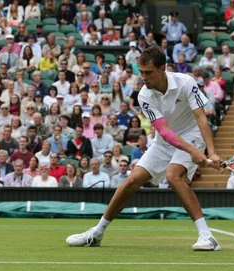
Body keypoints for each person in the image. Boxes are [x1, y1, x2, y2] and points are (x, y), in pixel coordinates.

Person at [66, 46, 222, 251]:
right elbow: (165, 133)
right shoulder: (144, 95)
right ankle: (97, 233)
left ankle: (207, 236)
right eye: (141, 72)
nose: (143, 77)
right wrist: (193, 152)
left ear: (162, 68)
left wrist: (211, 152)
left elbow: (202, 118)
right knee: (131, 180)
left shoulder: (186, 82)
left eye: (148, 72)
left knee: (174, 176)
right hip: (165, 140)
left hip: (192, 133)